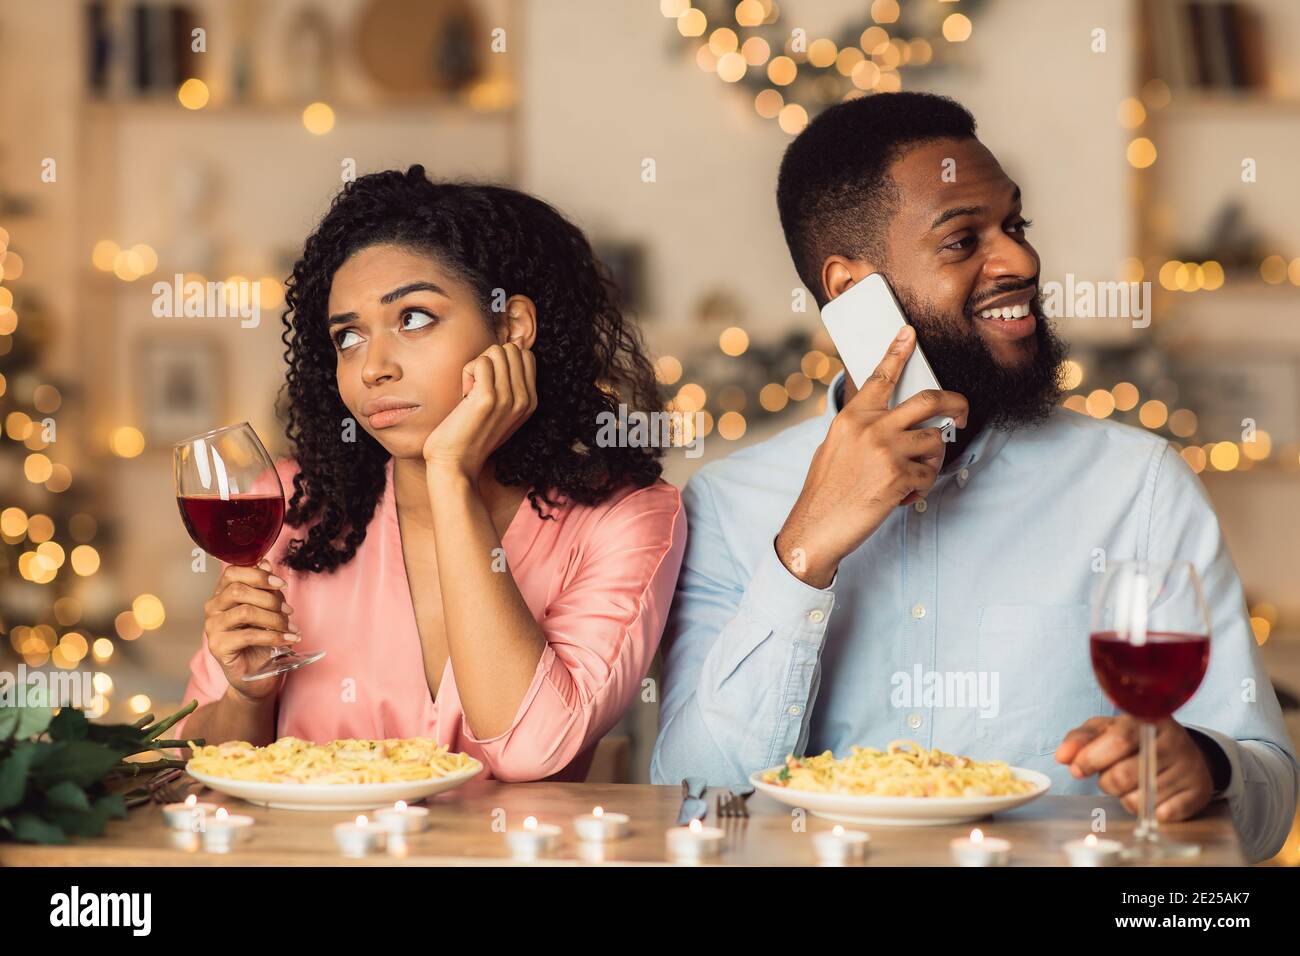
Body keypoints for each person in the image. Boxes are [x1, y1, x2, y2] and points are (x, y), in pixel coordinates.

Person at [651, 92, 1297, 862]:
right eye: (963, 241)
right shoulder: (730, 506)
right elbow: (696, 797)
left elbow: (1270, 797)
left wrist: (1210, 766)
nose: (1021, 261)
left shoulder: (1138, 486)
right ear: (852, 290)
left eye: (1015, 227)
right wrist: (804, 552)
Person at [178, 166, 686, 782]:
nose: (373, 369)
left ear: (511, 327)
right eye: (349, 337)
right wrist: (245, 698)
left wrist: (450, 475)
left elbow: (531, 749)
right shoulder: (290, 504)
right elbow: (186, 765)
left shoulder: (626, 518)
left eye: (414, 318)